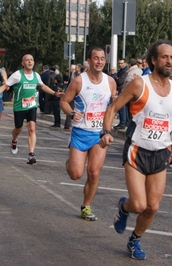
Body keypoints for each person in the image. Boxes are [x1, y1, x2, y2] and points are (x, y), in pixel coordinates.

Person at [100, 40, 172, 260]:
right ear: (153, 59)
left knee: (152, 207)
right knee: (139, 204)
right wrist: (106, 131)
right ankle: (124, 207)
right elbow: (113, 108)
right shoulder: (140, 85)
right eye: (164, 57)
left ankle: (135, 240)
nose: (169, 61)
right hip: (137, 150)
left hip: (161, 153)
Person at [60, 47, 116, 221]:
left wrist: (113, 107)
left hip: (99, 134)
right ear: (90, 61)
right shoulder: (79, 81)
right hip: (80, 132)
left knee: (93, 173)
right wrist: (71, 113)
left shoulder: (110, 82)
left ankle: (86, 206)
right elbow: (64, 101)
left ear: (104, 61)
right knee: (76, 174)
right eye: (95, 58)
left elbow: (112, 106)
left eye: (102, 59)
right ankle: (70, 163)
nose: (99, 62)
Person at [0, 54, 64, 164]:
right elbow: (6, 85)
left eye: (31, 60)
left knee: (32, 129)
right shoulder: (17, 75)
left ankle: (31, 154)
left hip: (32, 106)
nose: (30, 62)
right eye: (27, 60)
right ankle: (14, 140)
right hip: (19, 107)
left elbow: (42, 86)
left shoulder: (36, 75)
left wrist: (54, 93)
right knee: (18, 129)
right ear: (23, 63)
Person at [113, 58, 129, 130]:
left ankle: (123, 123)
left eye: (121, 63)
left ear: (125, 63)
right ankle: (122, 122)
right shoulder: (121, 70)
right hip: (119, 90)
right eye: (119, 63)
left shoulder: (125, 70)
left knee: (122, 107)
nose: (120, 65)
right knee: (120, 108)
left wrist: (116, 77)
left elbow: (120, 81)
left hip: (121, 90)